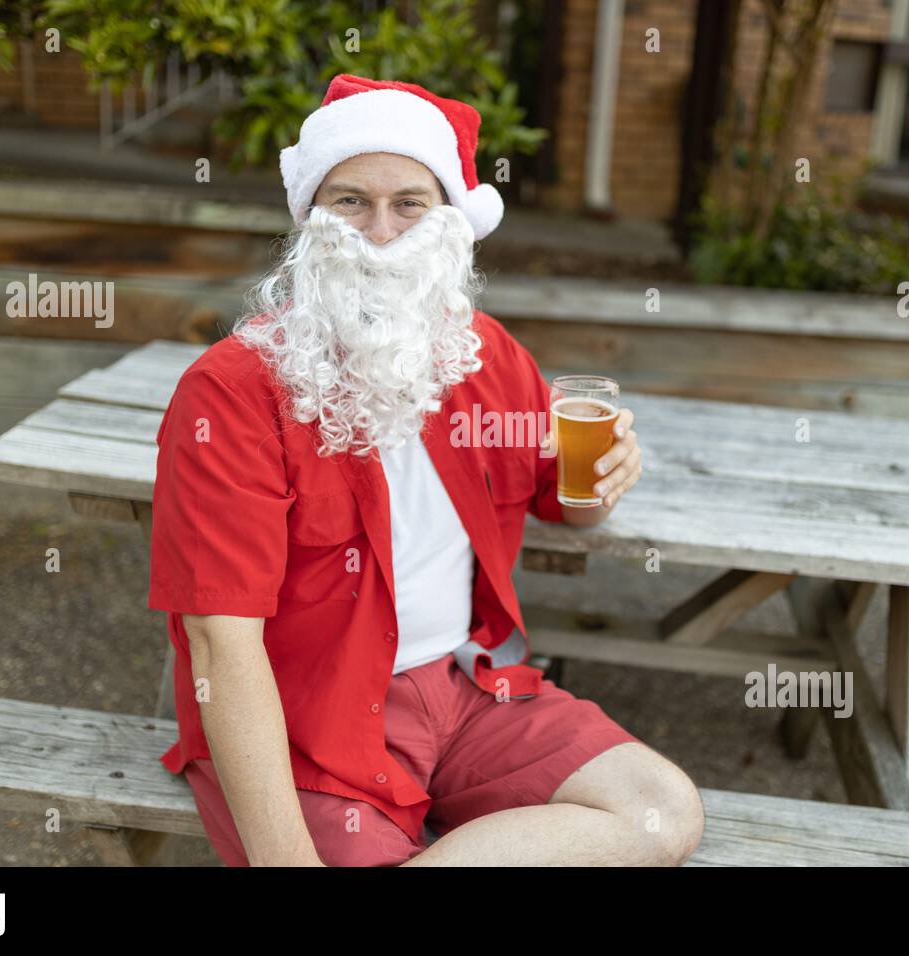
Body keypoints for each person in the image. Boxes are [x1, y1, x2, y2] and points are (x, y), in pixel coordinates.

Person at [148, 73, 705, 867]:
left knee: (660, 810)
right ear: (308, 219)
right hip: (309, 720)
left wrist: (610, 476)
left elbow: (565, 501)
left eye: (409, 202)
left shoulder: (484, 356)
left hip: (470, 690)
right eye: (350, 201)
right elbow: (220, 646)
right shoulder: (231, 393)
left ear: (450, 223)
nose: (380, 230)